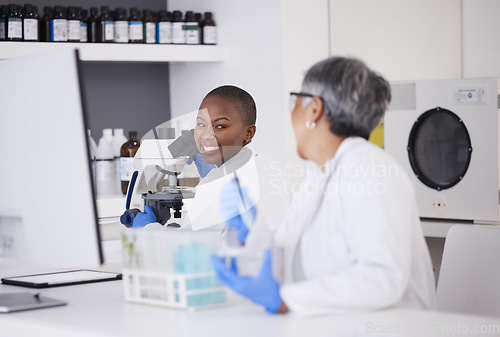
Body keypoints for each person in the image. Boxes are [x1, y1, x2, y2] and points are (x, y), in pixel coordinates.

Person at [212, 56, 437, 316]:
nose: (291, 112)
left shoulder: (371, 170)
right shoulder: (320, 177)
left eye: (294, 101)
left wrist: (284, 300)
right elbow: (286, 260)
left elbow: (382, 278)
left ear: (314, 109)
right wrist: (251, 235)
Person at [133, 85, 258, 228]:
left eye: (220, 126)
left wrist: (148, 229)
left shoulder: (218, 184)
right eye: (201, 124)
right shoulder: (260, 167)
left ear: (249, 133)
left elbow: (187, 247)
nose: (206, 135)